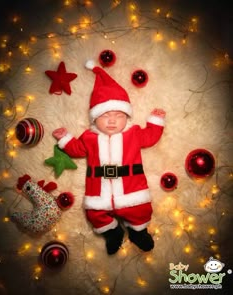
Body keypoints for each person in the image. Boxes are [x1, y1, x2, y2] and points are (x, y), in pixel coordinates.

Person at [52, 61, 166, 255]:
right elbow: (77, 149)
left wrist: (155, 122)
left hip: (132, 190)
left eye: (118, 115)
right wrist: (65, 138)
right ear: (94, 119)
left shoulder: (134, 133)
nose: (112, 120)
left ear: (127, 117)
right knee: (94, 215)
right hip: (99, 192)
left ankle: (138, 232)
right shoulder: (89, 137)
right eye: (105, 115)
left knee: (141, 211)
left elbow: (151, 137)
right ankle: (112, 232)